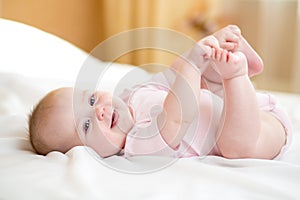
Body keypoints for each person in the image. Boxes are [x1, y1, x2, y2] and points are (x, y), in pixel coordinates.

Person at [28, 25, 291, 160]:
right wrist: (192, 65)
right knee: (236, 147)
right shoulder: (137, 146)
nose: (99, 110)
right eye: (85, 125)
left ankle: (224, 54)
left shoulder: (133, 95)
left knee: (187, 76)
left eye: (92, 99)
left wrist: (195, 58)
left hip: (240, 108)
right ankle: (236, 75)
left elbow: (171, 78)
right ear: (84, 153)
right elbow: (176, 118)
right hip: (259, 131)